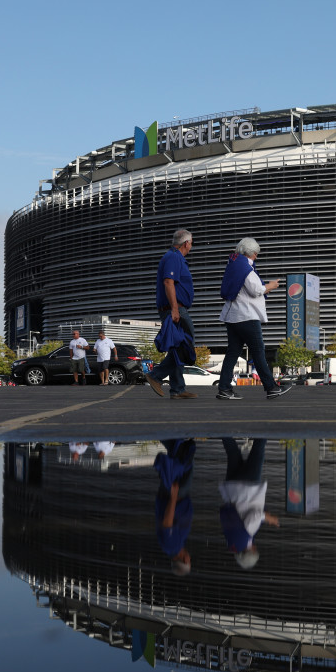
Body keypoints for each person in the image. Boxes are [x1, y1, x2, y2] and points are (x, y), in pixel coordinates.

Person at [216, 238, 291, 400]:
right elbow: (256, 290)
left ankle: (224, 389)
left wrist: (265, 288)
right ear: (251, 253)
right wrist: (270, 286)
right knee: (258, 353)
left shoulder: (233, 265)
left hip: (232, 317)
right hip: (247, 317)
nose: (256, 257)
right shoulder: (246, 268)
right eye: (256, 254)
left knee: (232, 353)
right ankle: (271, 387)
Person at [145, 229, 198, 400]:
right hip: (175, 309)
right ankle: (156, 376)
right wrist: (175, 309)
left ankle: (177, 389)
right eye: (191, 243)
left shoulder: (175, 257)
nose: (191, 246)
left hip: (176, 308)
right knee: (185, 346)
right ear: (186, 243)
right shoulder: (173, 257)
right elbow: (168, 282)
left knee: (177, 347)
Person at [219, 437, 280, 569]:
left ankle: (266, 421)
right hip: (232, 488)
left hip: (249, 487)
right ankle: (218, 425)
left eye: (255, 550)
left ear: (252, 551)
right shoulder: (232, 537)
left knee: (259, 448)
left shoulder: (248, 535)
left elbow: (255, 515)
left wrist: (268, 518)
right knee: (232, 452)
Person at [154, 438, 196, 576]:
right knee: (181, 458)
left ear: (184, 560)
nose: (190, 558)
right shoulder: (175, 546)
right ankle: (168, 436)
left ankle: (166, 434)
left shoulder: (170, 546)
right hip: (179, 497)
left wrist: (173, 496)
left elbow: (167, 522)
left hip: (176, 496)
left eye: (189, 561)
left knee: (184, 459)